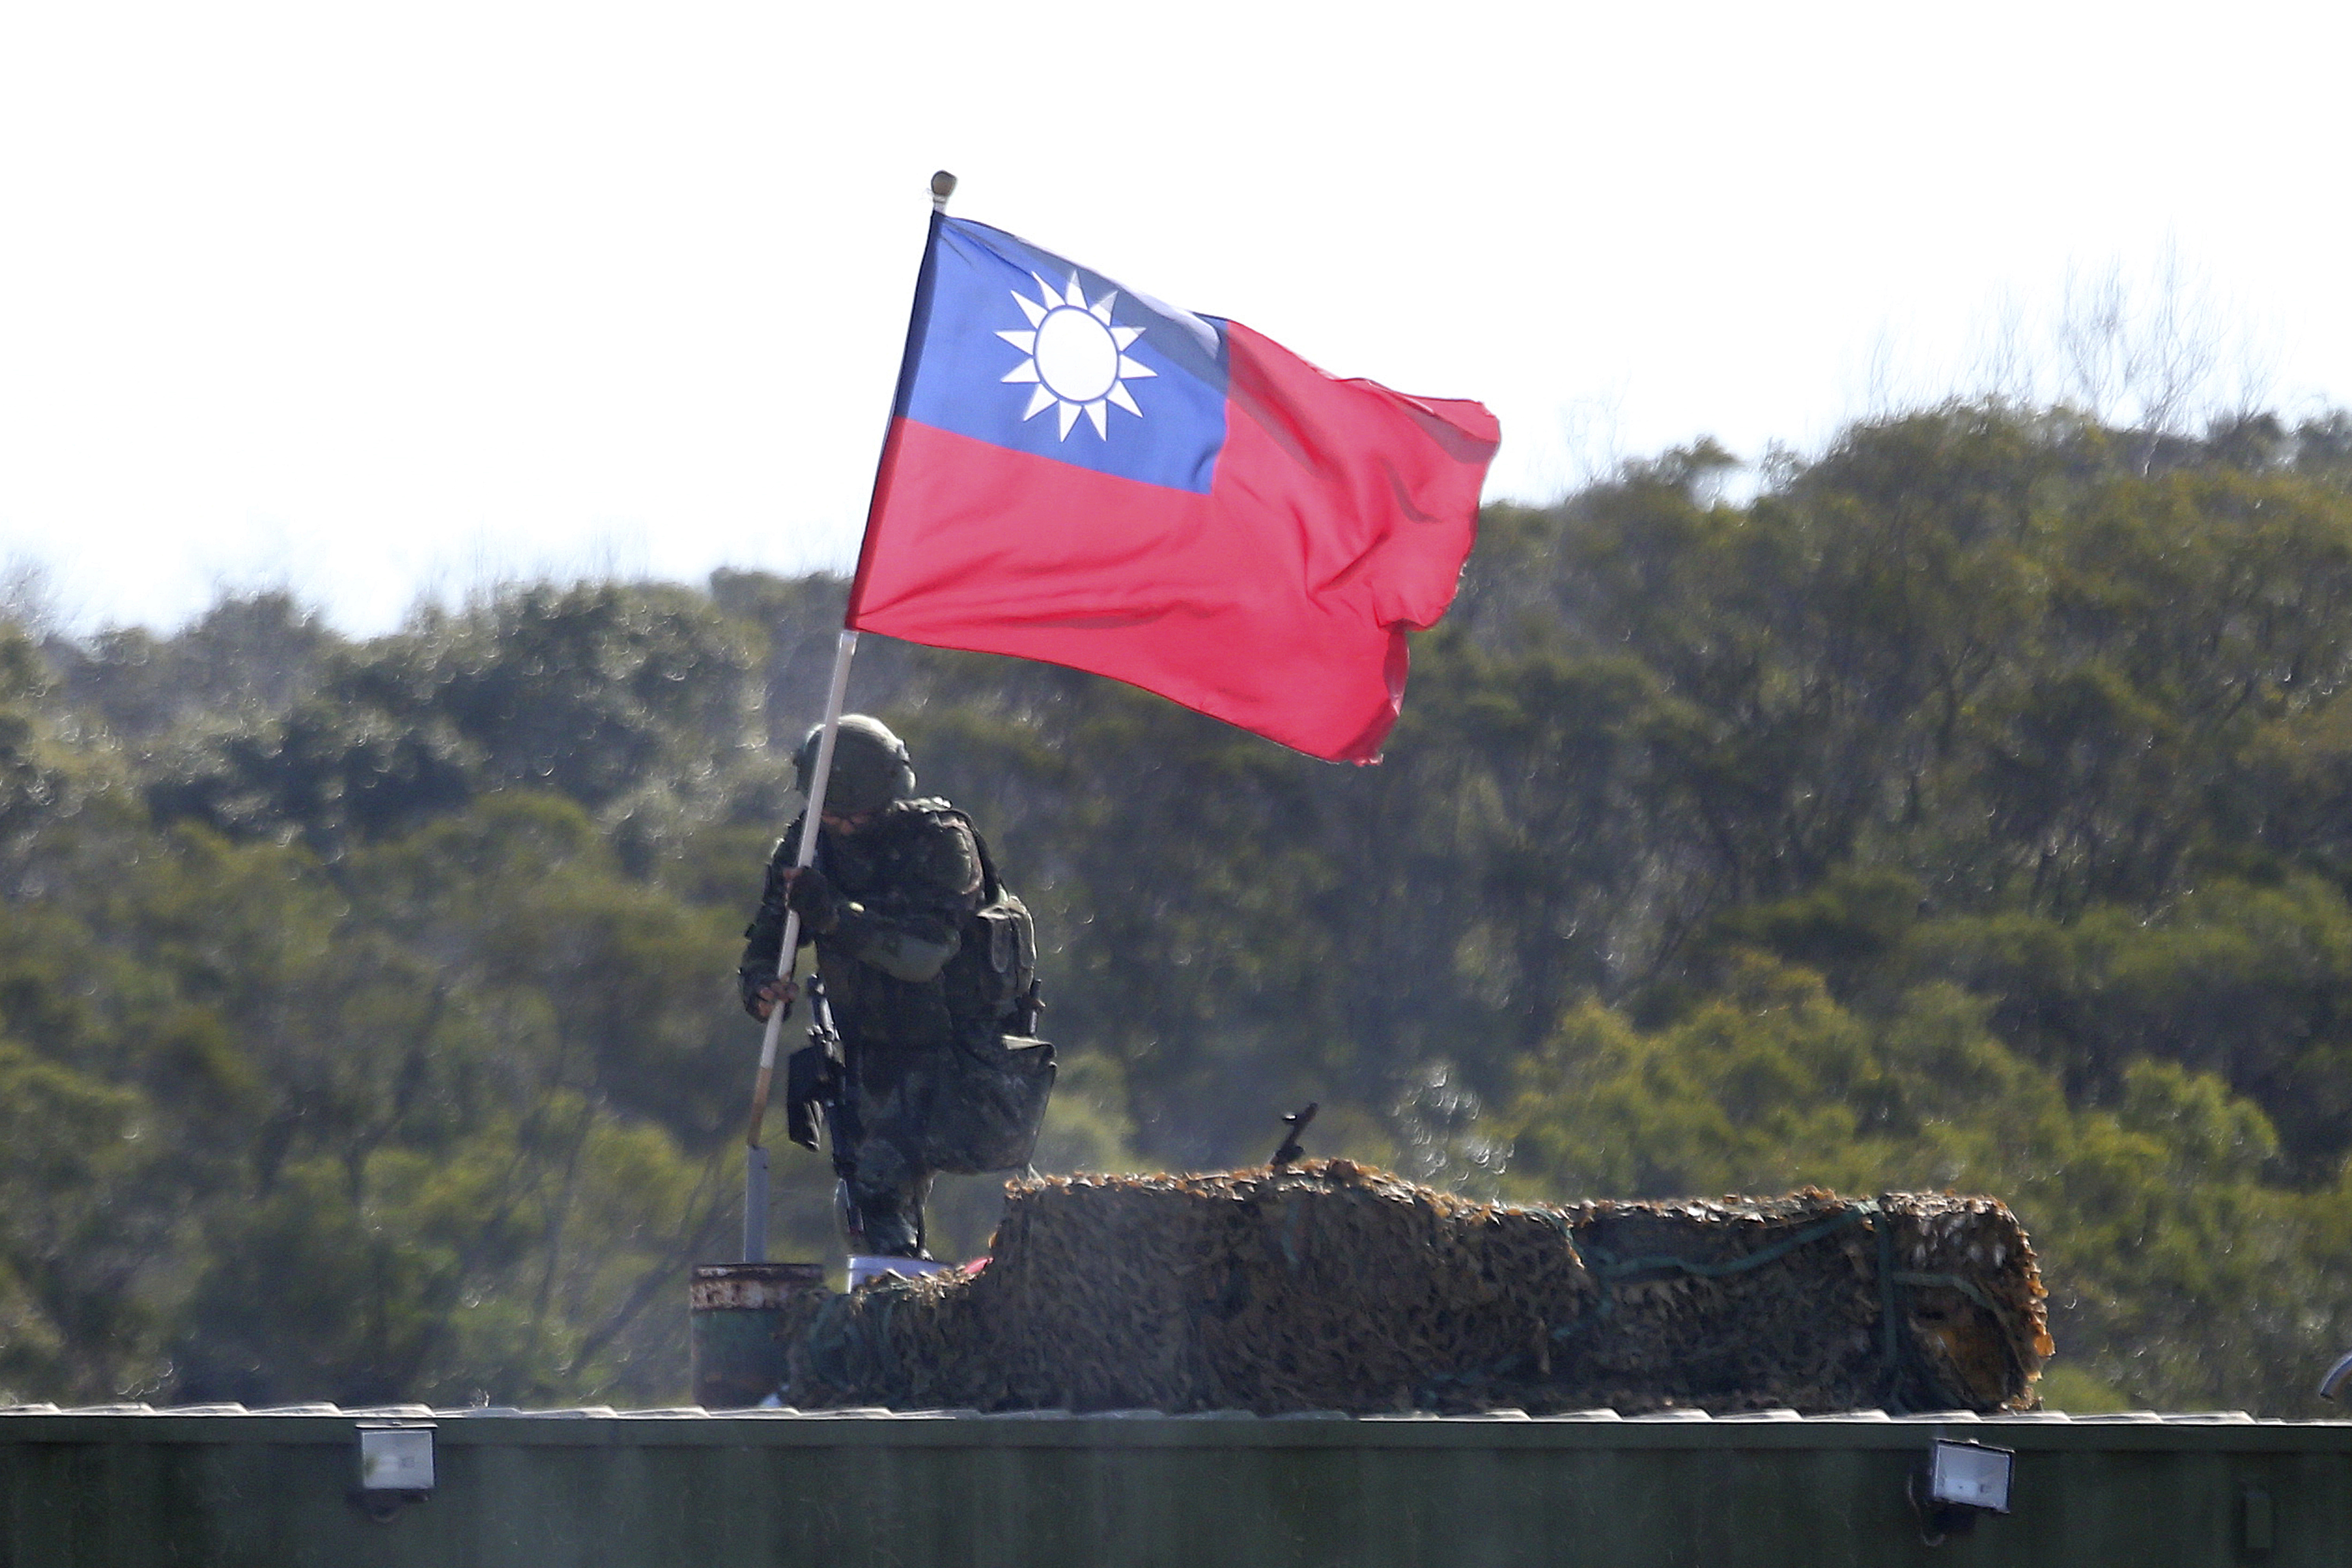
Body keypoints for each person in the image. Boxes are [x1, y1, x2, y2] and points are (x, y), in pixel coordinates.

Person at [739, 714, 1043, 1259]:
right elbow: (764, 946)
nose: (844, 825)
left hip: (957, 1053)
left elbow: (925, 955)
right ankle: (897, 1299)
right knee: (865, 1201)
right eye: (833, 814)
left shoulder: (941, 842)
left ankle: (951, 1293)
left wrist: (833, 916)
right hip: (868, 1050)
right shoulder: (807, 846)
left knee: (893, 1183)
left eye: (857, 814)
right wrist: (763, 988)